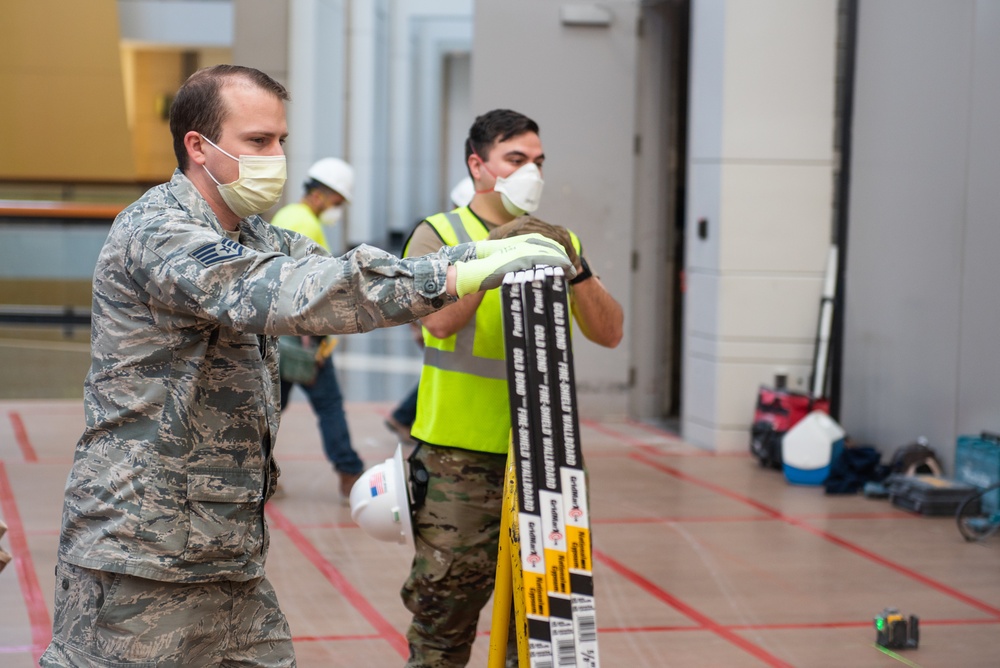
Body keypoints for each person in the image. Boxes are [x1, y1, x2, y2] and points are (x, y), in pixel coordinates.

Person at [39, 66, 574, 667]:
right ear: (198, 145)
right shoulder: (159, 231)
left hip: (226, 552)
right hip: (138, 552)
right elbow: (295, 292)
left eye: (281, 142)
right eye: (258, 142)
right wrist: (458, 273)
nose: (276, 157)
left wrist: (481, 250)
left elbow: (347, 274)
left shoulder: (257, 233)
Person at [399, 108, 624, 668]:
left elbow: (610, 332)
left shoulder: (557, 239)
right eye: (517, 160)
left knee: (546, 629)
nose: (532, 173)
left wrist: (575, 266)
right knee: (444, 618)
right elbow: (436, 325)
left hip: (545, 460)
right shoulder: (439, 234)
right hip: (458, 458)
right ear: (479, 166)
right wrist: (494, 249)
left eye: (539, 162)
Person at [270, 158, 364, 499]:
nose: (337, 209)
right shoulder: (306, 224)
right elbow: (309, 287)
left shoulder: (286, 216)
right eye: (338, 202)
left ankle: (256, 472)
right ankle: (350, 471)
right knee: (330, 406)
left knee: (270, 410)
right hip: (304, 340)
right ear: (323, 195)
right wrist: (317, 339)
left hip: (278, 336)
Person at [384, 177, 475, 445]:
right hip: (439, 321)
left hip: (448, 323)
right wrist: (417, 325)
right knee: (440, 373)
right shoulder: (436, 233)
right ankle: (402, 416)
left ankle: (402, 416)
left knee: (437, 373)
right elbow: (413, 281)